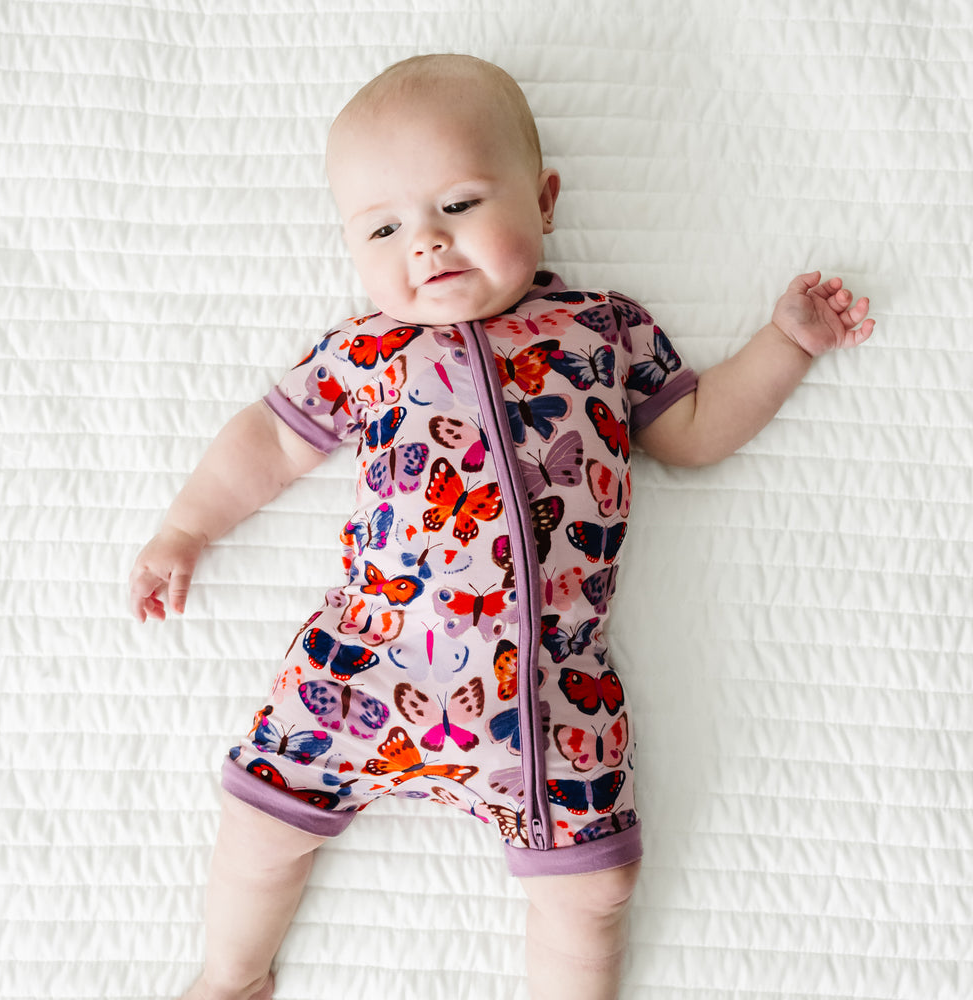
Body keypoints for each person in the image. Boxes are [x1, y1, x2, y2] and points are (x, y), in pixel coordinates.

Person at [128, 53, 873, 1000]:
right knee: (260, 817)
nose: (428, 244)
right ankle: (229, 978)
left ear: (545, 199)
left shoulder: (602, 332)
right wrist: (186, 529)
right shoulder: (365, 350)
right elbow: (269, 443)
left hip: (551, 686)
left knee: (597, 886)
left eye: (461, 204)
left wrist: (785, 346)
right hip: (370, 658)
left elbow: (693, 432)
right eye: (386, 227)